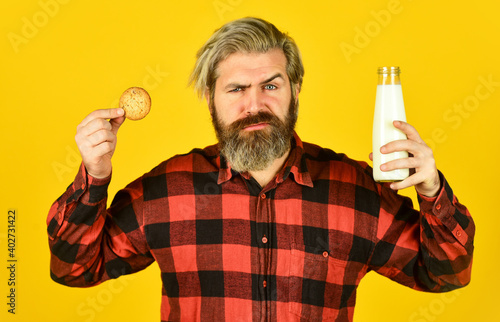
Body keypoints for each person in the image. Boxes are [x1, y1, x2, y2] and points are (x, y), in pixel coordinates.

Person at [47, 17, 474, 321]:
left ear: (295, 90)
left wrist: (432, 189)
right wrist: (94, 175)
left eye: (271, 85)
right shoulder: (165, 191)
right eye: (236, 89)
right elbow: (75, 269)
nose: (255, 105)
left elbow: (445, 274)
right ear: (211, 98)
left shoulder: (355, 190)